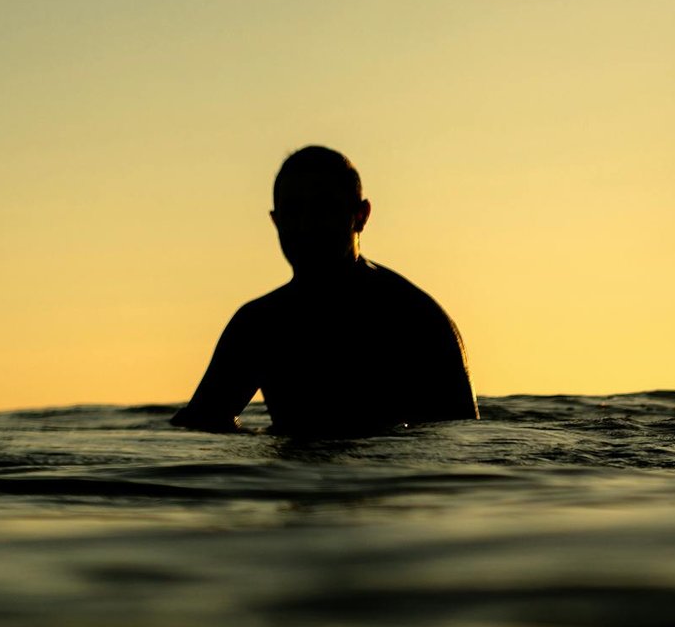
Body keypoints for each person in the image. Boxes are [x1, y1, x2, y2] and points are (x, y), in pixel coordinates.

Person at [172, 146, 478, 435]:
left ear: (361, 216)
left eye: (324, 209)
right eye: (293, 211)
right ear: (276, 221)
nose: (306, 225)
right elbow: (200, 425)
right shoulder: (259, 326)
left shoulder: (413, 318)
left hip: (388, 484)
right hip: (288, 486)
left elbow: (461, 443)